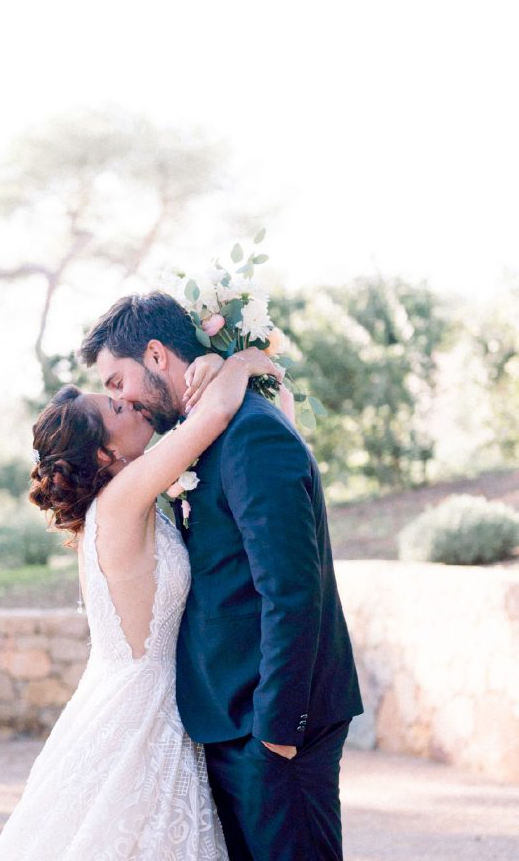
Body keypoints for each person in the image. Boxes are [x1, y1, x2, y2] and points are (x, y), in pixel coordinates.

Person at [80, 291, 364, 861]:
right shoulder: (202, 435)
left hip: (271, 727)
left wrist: (278, 731)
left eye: (117, 382)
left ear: (156, 355)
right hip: (227, 722)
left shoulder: (250, 433)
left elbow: (291, 590)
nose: (123, 399)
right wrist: (238, 365)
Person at [0, 336, 282, 860]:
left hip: (131, 695)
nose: (131, 403)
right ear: (106, 453)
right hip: (142, 708)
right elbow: (214, 414)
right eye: (117, 408)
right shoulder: (122, 498)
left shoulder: (122, 500)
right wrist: (244, 360)